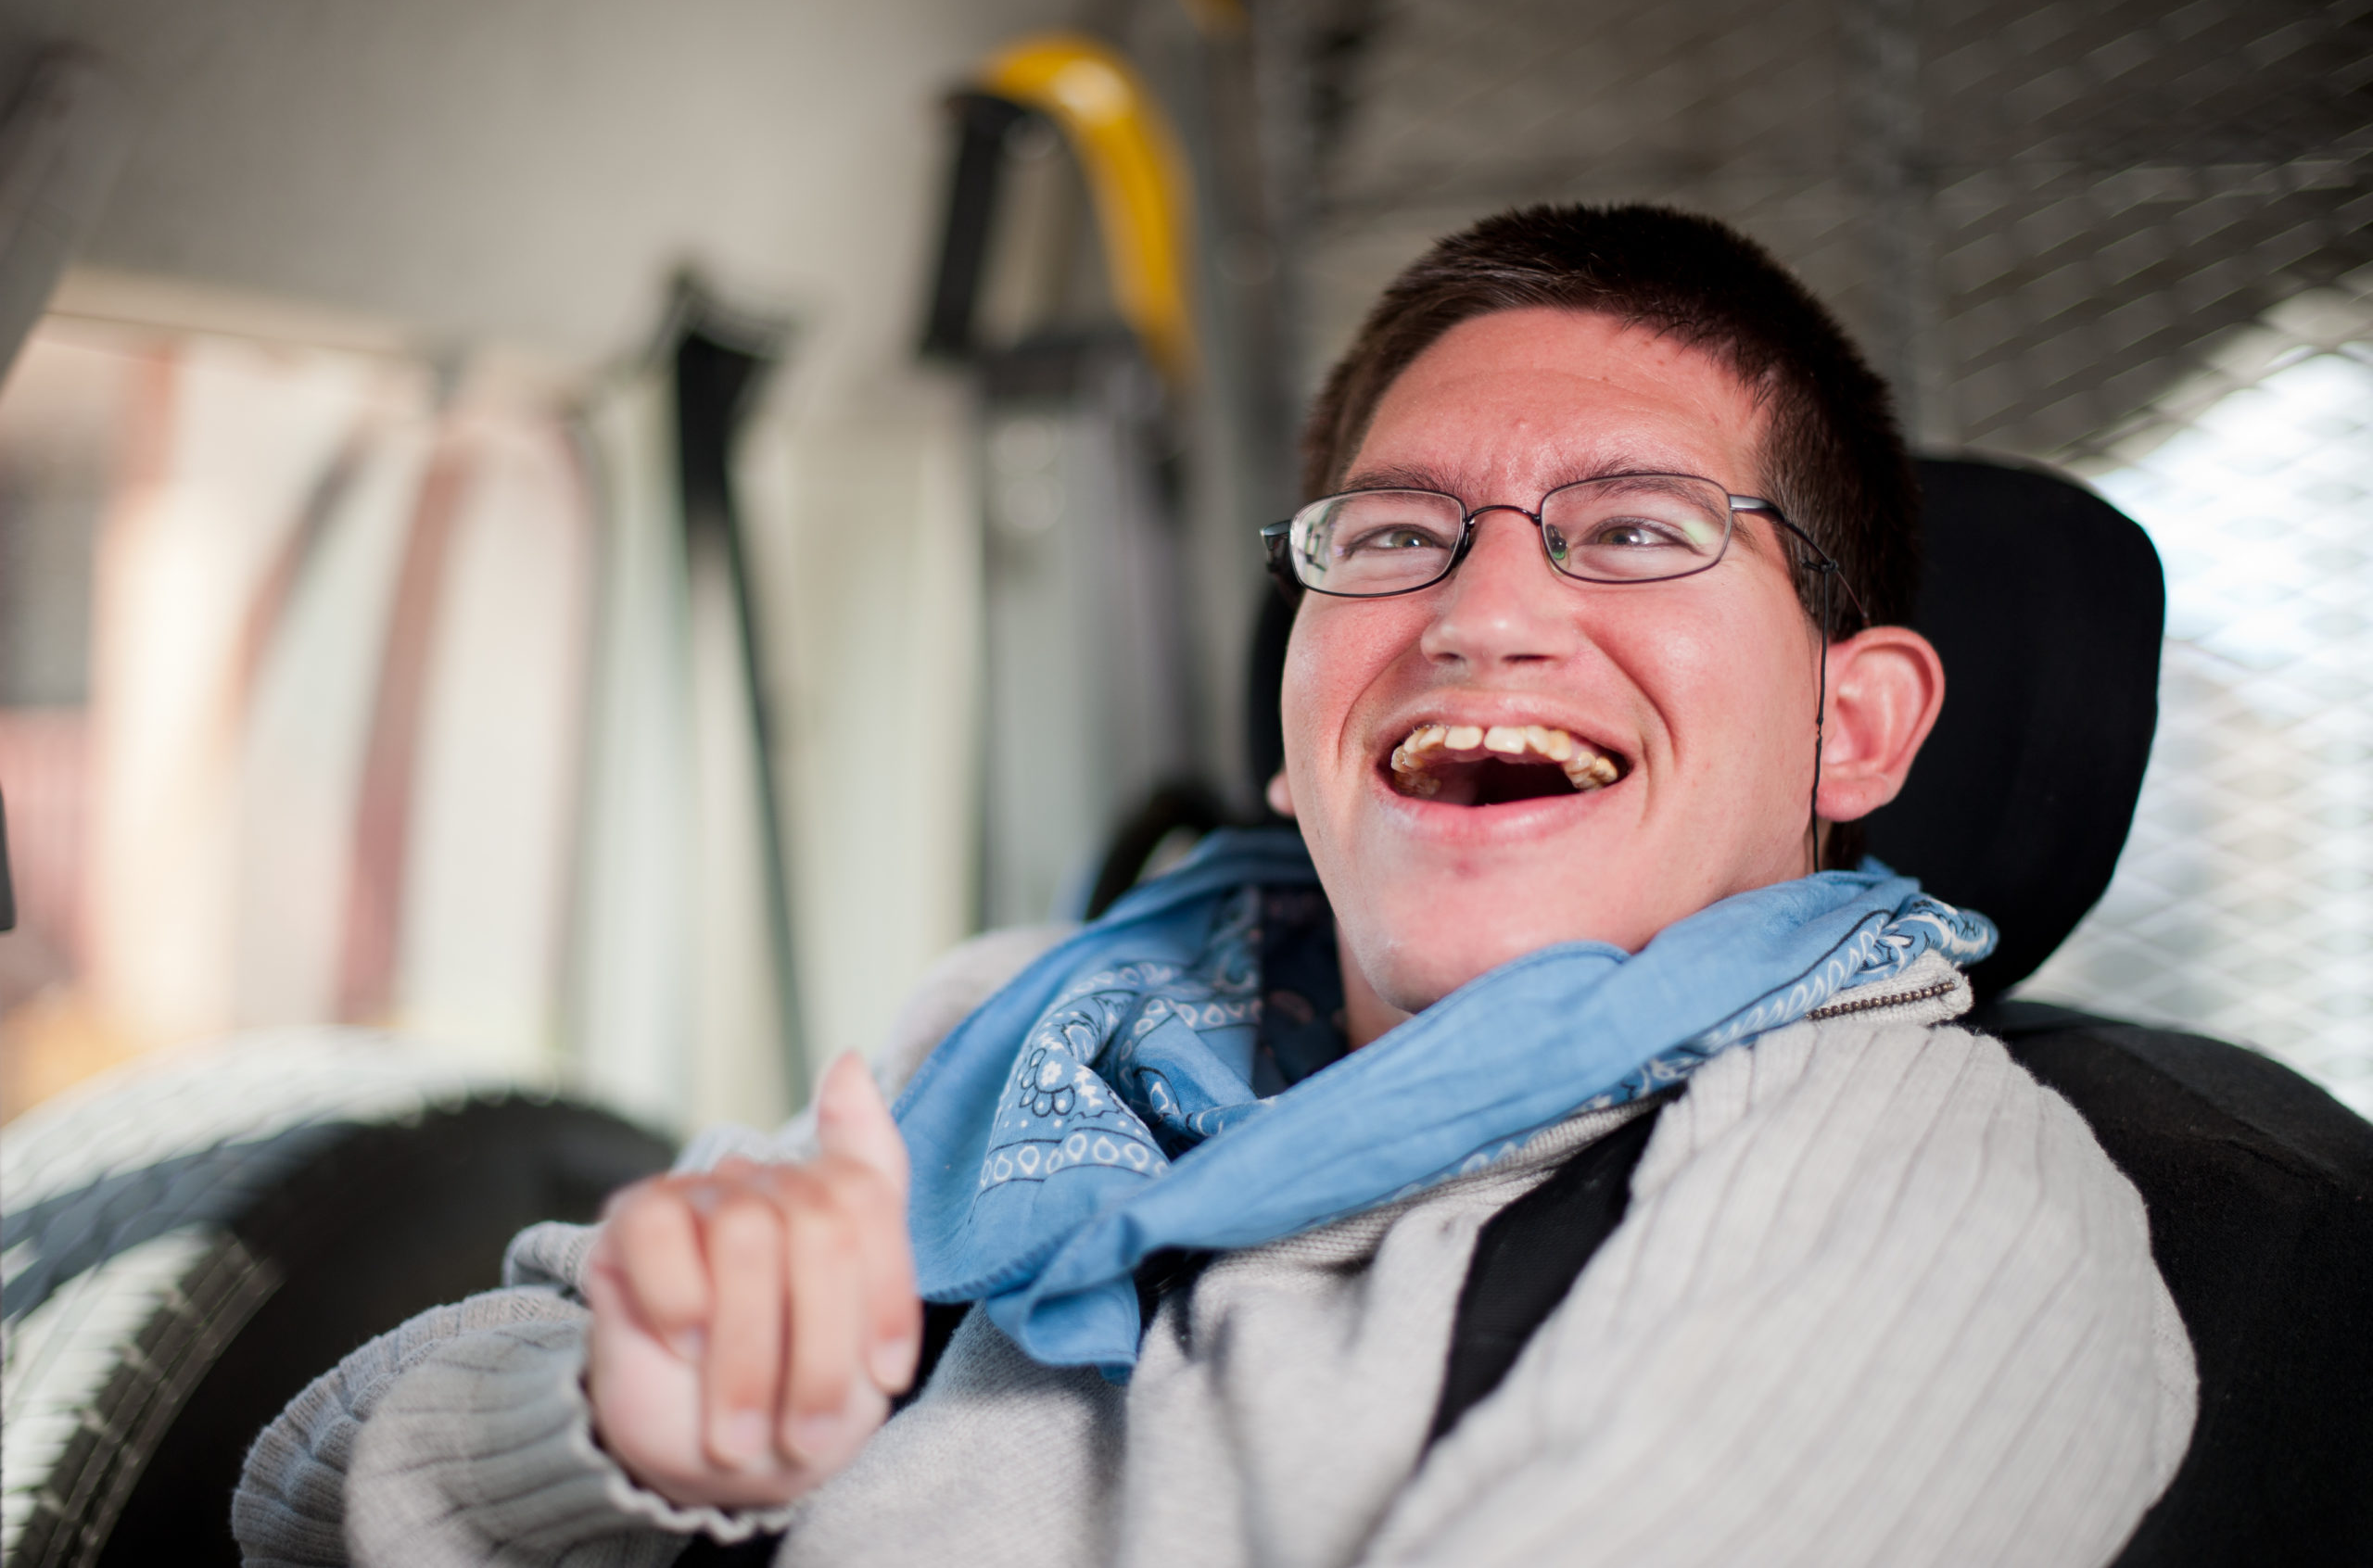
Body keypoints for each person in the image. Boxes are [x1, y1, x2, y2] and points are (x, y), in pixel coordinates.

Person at [235, 204, 2195, 1568]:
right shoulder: (1017, 1020)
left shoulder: (1922, 1201)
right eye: (1396, 538)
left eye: (1635, 532)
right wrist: (616, 1434)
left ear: (1854, 730)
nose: (1481, 611)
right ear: (1289, 728)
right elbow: (298, 1510)